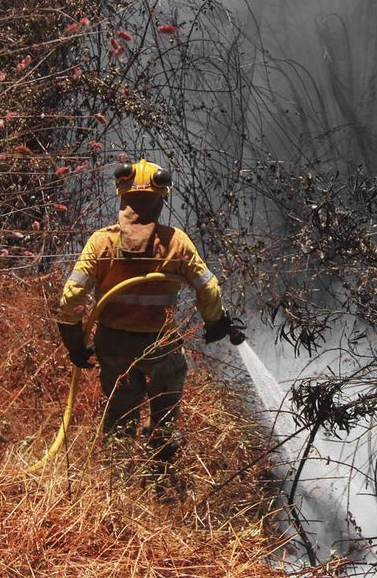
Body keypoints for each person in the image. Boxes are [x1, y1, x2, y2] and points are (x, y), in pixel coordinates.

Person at [55, 157, 244, 470]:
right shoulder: (176, 243)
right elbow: (209, 289)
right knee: (165, 414)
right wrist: (214, 323)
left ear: (122, 196)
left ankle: (119, 482)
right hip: (161, 347)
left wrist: (74, 340)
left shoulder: (102, 242)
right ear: (161, 200)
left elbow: (72, 296)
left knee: (120, 418)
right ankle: (161, 469)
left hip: (114, 345)